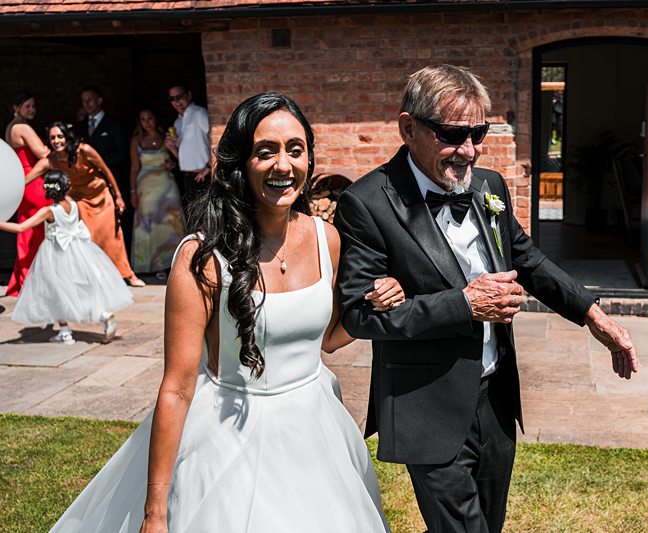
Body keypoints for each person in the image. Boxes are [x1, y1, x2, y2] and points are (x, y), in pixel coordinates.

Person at [48, 93, 405, 533]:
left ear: (309, 159)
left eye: (295, 149)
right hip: (228, 430)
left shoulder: (326, 239)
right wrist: (154, 513)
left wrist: (370, 305)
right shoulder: (200, 258)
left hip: (315, 431)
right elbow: (177, 389)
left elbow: (327, 338)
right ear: (239, 163)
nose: (283, 165)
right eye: (265, 151)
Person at [334, 64, 639, 533]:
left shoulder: (489, 186)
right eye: (454, 134)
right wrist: (465, 304)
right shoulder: (367, 202)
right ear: (408, 128)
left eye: (479, 133)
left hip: (495, 399)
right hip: (426, 403)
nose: (470, 150)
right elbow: (357, 315)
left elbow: (528, 259)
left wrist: (591, 313)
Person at [0, 171, 132, 344]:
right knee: (77, 289)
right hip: (76, 250)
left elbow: (21, 228)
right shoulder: (74, 205)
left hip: (55, 253)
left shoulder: (48, 211)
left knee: (55, 291)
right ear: (66, 187)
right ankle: (102, 314)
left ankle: (65, 331)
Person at [25, 122, 145, 287]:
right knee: (88, 238)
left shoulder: (84, 150)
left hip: (101, 197)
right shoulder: (51, 160)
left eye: (60, 136)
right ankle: (96, 277)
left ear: (67, 137)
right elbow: (27, 178)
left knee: (112, 237)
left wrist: (118, 196)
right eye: (52, 138)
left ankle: (128, 275)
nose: (56, 140)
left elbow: (106, 170)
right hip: (79, 199)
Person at [75, 85, 133, 258]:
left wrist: (98, 163)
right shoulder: (80, 127)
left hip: (110, 181)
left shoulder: (114, 125)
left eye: (90, 99)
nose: (87, 103)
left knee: (114, 223)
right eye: (84, 100)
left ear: (99, 100)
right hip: (87, 185)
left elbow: (122, 154)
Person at [4, 90, 50, 297]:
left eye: (33, 106)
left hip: (22, 183)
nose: (32, 110)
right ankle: (36, 280)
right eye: (27, 106)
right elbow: (44, 154)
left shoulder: (10, 127)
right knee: (37, 233)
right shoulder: (22, 127)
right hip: (32, 182)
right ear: (16, 108)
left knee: (28, 231)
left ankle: (24, 278)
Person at [129, 109, 185, 277]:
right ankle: (156, 265)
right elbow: (134, 168)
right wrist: (132, 191)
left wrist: (171, 165)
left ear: (155, 119)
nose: (147, 122)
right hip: (146, 187)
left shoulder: (166, 136)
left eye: (150, 118)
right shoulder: (137, 140)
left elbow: (173, 160)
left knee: (172, 223)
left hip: (167, 186)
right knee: (149, 226)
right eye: (143, 119)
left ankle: (175, 262)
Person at [164, 80, 211, 217]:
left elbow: (218, 140)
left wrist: (209, 167)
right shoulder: (177, 122)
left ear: (189, 95)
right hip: (188, 177)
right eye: (172, 99)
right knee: (193, 218)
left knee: (206, 218)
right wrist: (172, 148)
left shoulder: (199, 113)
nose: (176, 102)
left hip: (204, 176)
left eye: (179, 97)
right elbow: (182, 157)